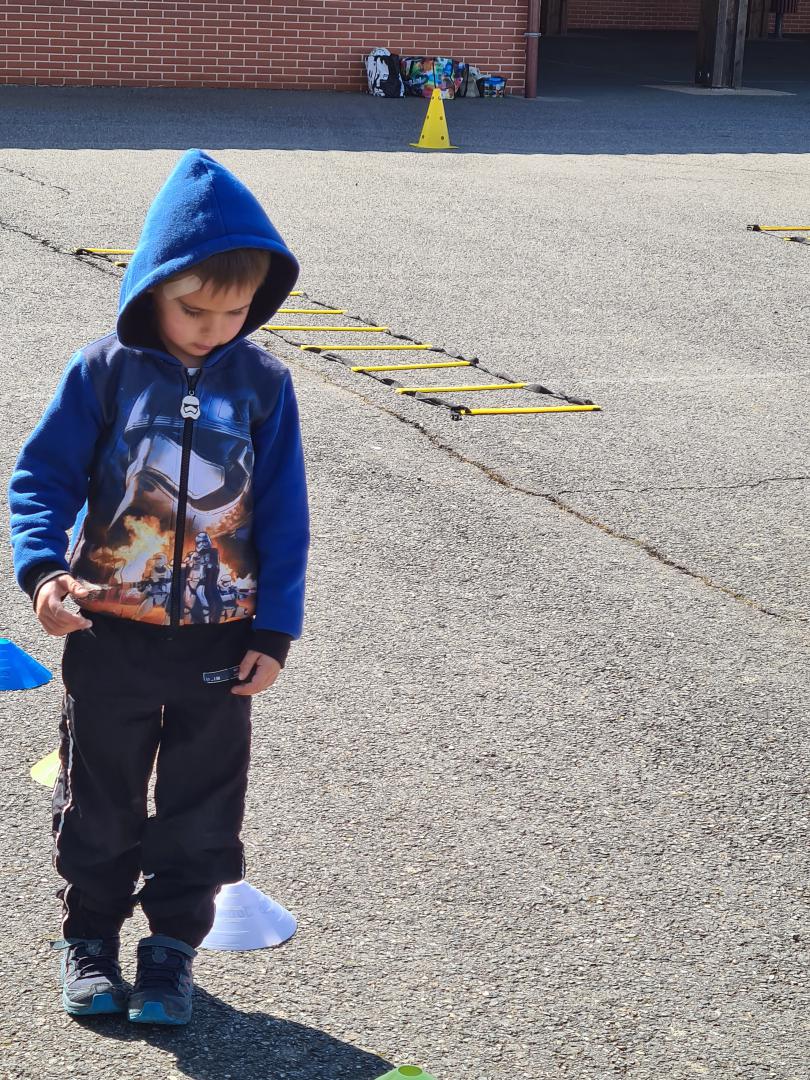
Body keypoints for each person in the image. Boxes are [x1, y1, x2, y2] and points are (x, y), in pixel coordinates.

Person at [8, 149, 309, 1026]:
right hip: (110, 632)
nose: (213, 328)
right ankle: (89, 941)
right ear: (151, 286)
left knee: (202, 806)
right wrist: (43, 571)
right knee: (100, 800)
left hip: (222, 638)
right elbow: (41, 480)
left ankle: (172, 947)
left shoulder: (263, 384)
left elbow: (284, 512)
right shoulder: (103, 371)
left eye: (235, 311)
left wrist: (274, 630)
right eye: (193, 309)